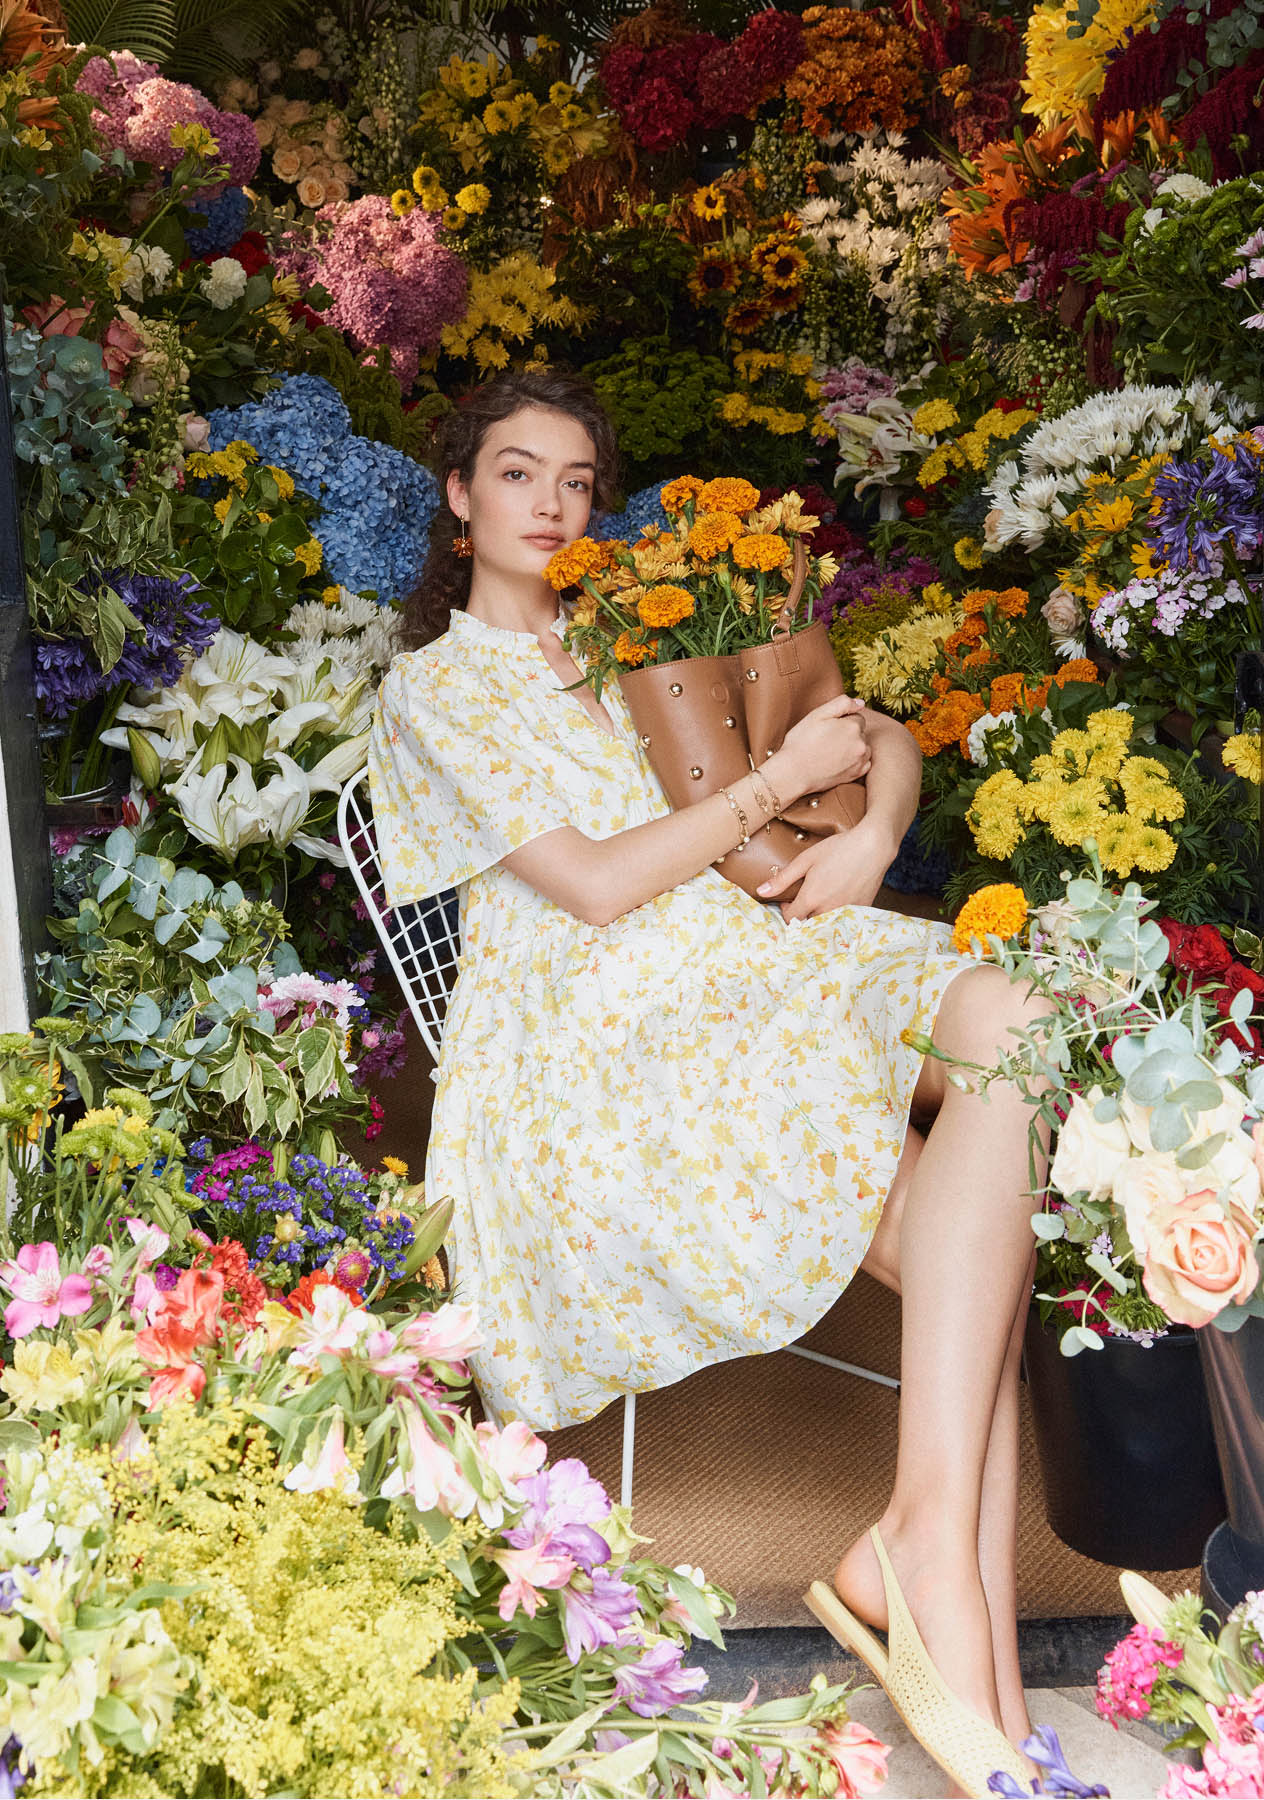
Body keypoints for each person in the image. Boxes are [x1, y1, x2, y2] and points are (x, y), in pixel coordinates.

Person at [369, 370, 1047, 1797]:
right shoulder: (435, 691)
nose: (549, 504)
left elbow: (860, 730)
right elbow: (599, 886)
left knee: (1013, 1016)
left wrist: (873, 836)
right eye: (515, 474)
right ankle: (972, 1669)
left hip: (766, 958)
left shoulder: (641, 620)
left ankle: (917, 1542)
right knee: (977, 1265)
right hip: (600, 1029)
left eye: (572, 480)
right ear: (457, 497)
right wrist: (765, 789)